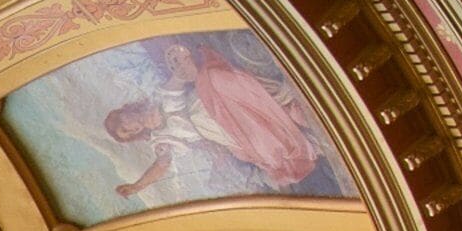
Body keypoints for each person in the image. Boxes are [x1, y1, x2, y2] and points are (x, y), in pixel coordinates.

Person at [104, 39, 325, 200]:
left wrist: (183, 66)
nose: (132, 128)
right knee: (264, 141)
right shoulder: (161, 139)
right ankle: (292, 123)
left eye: (125, 125)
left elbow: (179, 79)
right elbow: (162, 165)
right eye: (129, 133)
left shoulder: (157, 96)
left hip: (206, 99)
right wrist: (137, 186)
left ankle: (283, 105)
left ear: (124, 114)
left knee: (216, 79)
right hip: (214, 128)